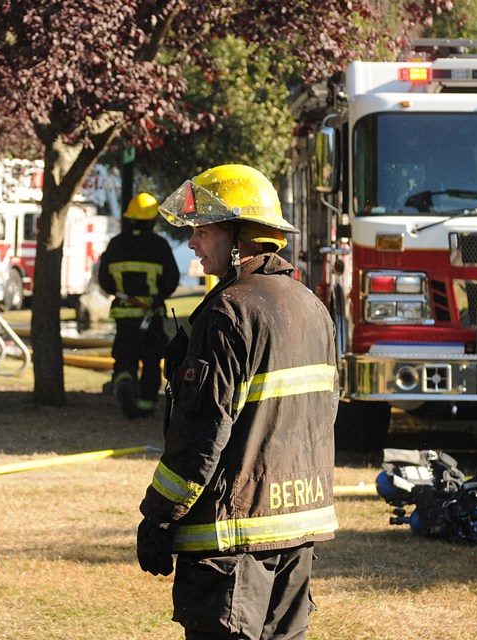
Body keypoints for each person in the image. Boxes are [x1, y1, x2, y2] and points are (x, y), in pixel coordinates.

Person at [137, 165, 339, 639]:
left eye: (202, 232)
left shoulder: (229, 311)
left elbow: (202, 430)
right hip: (299, 526)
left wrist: (159, 516)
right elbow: (326, 411)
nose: (192, 244)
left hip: (233, 537)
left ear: (238, 237)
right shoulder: (312, 306)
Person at [98, 192, 180, 419]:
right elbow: (171, 280)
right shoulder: (160, 246)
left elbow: (104, 280)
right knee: (152, 359)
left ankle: (124, 380)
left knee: (124, 354)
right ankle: (146, 405)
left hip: (124, 315)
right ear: (152, 219)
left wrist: (122, 294)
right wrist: (155, 298)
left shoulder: (116, 245)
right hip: (150, 315)